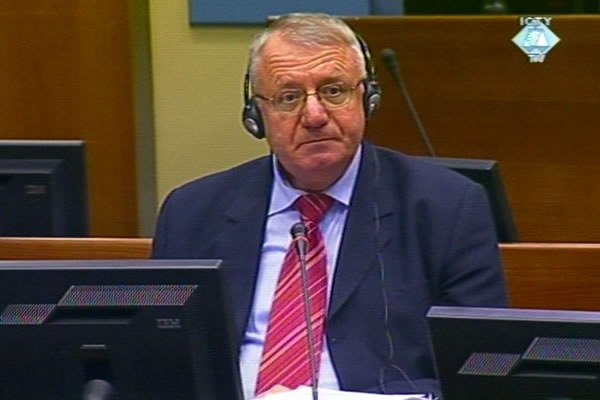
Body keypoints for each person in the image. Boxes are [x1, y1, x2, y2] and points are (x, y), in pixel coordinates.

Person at [152, 12, 507, 399]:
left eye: (334, 90)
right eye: (288, 98)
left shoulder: (447, 208)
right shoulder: (191, 212)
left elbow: (482, 367)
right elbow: (161, 362)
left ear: (366, 98)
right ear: (256, 116)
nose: (315, 115)